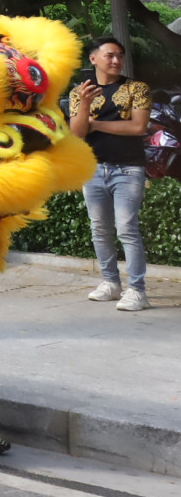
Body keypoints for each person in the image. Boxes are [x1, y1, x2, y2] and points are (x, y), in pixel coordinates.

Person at [71, 36, 154, 313]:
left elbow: (137, 127)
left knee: (127, 229)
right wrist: (84, 106)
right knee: (100, 229)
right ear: (93, 59)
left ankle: (138, 290)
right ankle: (110, 283)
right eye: (110, 55)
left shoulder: (136, 89)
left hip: (128, 168)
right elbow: (77, 134)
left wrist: (96, 124)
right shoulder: (78, 93)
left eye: (119, 55)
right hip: (93, 169)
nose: (116, 60)